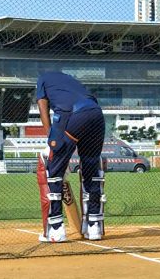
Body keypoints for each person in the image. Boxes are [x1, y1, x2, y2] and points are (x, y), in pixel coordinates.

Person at [36, 71, 106, 242]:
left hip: (74, 114)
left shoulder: (42, 80)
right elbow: (89, 105)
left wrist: (52, 145)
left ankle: (56, 229)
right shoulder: (72, 82)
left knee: (53, 172)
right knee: (91, 171)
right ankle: (94, 227)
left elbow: (43, 108)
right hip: (97, 114)